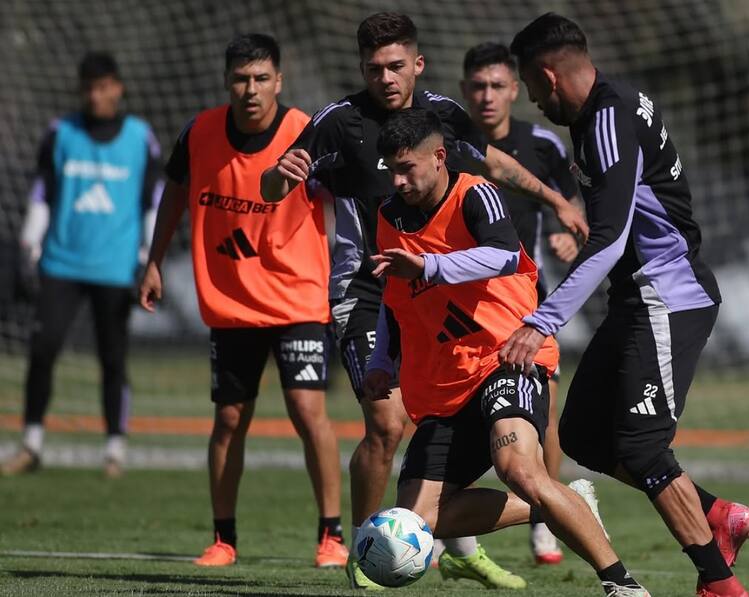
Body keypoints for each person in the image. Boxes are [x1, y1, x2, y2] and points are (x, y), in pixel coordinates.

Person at [261, 12, 588, 591]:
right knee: (387, 423)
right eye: (373, 68)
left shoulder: (445, 116)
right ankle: (363, 545)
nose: (384, 78)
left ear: (417, 64)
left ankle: (456, 546)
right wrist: (276, 179)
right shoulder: (336, 123)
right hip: (366, 292)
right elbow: (277, 184)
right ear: (361, 69)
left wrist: (557, 200)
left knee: (444, 421)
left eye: (394, 66)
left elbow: (492, 162)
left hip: (437, 290)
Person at [501, 13, 749, 597]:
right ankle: (717, 515)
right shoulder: (611, 105)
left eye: (532, 88)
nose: (535, 101)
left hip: (667, 295)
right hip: (636, 297)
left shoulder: (607, 117)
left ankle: (719, 584)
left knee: (641, 445)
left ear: (547, 74)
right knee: (586, 435)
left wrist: (542, 319)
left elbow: (612, 235)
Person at [362, 107, 651, 597]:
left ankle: (621, 584)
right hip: (441, 383)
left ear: (438, 157)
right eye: (390, 168)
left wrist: (428, 266)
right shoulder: (388, 215)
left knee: (519, 469)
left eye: (406, 167)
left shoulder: (476, 193)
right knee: (418, 521)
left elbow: (500, 254)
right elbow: (393, 300)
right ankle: (560, 502)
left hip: (504, 356)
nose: (398, 179)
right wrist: (380, 361)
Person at [138, 34, 348, 569]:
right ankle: (223, 539)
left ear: (279, 81)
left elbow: (346, 197)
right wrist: (155, 260)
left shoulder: (308, 132)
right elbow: (175, 191)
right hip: (231, 302)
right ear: (227, 81)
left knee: (307, 410)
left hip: (297, 295)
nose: (250, 90)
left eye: (260, 79)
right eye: (240, 79)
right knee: (230, 418)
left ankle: (331, 534)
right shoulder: (201, 131)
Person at [1, 51, 162, 479]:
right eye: (89, 87)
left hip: (115, 265)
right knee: (43, 349)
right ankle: (31, 443)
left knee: (113, 358)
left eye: (104, 86)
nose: (96, 95)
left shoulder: (139, 138)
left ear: (118, 87)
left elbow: (152, 203)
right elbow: (43, 193)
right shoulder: (61, 133)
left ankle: (114, 449)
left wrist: (149, 256)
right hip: (61, 262)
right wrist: (28, 245)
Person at [456, 41, 587, 565]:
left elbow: (572, 201)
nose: (487, 96)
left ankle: (547, 517)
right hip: (453, 307)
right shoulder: (445, 142)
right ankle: (457, 527)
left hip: (519, 306)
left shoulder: (541, 146)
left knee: (544, 416)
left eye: (497, 86)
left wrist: (571, 238)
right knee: (450, 416)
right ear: (465, 91)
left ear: (515, 89)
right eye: (477, 86)